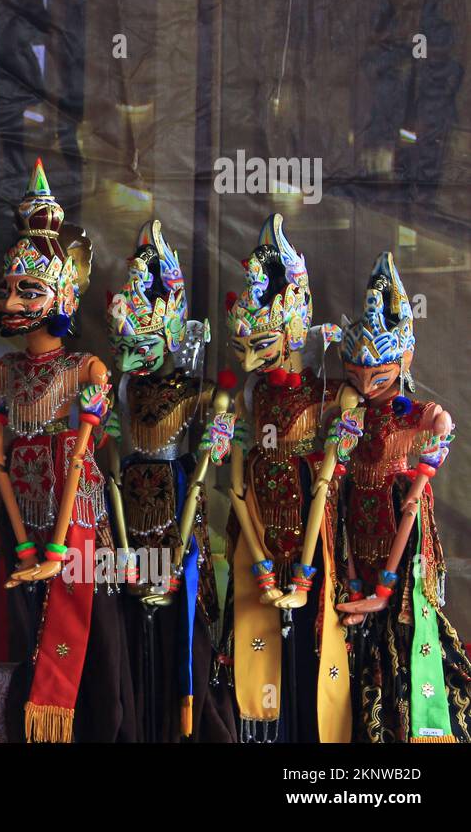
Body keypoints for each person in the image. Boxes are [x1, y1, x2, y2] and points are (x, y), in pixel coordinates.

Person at [0, 160, 135, 743]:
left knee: (92, 640)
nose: (12, 299)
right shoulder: (4, 372)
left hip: (77, 525)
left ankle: (97, 730)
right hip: (22, 515)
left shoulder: (86, 369)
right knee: (28, 633)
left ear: (64, 295)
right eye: (9, 288)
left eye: (30, 289)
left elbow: (81, 456)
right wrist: (23, 538)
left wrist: (55, 543)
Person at [213, 214, 351, 743]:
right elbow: (235, 481)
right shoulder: (249, 394)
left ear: (293, 329)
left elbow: (325, 479)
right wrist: (263, 564)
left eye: (260, 345)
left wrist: (305, 573)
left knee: (313, 647)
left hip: (310, 530)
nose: (248, 360)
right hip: (261, 529)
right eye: (243, 347)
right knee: (257, 634)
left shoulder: (331, 392)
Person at [104, 221, 236, 742]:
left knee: (184, 614)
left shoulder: (198, 391)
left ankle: (185, 721)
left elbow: (215, 452)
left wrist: (219, 430)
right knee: (132, 616)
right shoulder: (126, 388)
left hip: (179, 500)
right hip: (131, 506)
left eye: (141, 347)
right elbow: (111, 458)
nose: (132, 359)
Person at [333, 253, 471, 742]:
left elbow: (443, 424)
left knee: (404, 638)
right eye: (356, 377)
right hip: (359, 524)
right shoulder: (351, 410)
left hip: (401, 534)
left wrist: (421, 474)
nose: (366, 389)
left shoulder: (415, 413)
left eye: (379, 378)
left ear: (403, 362)